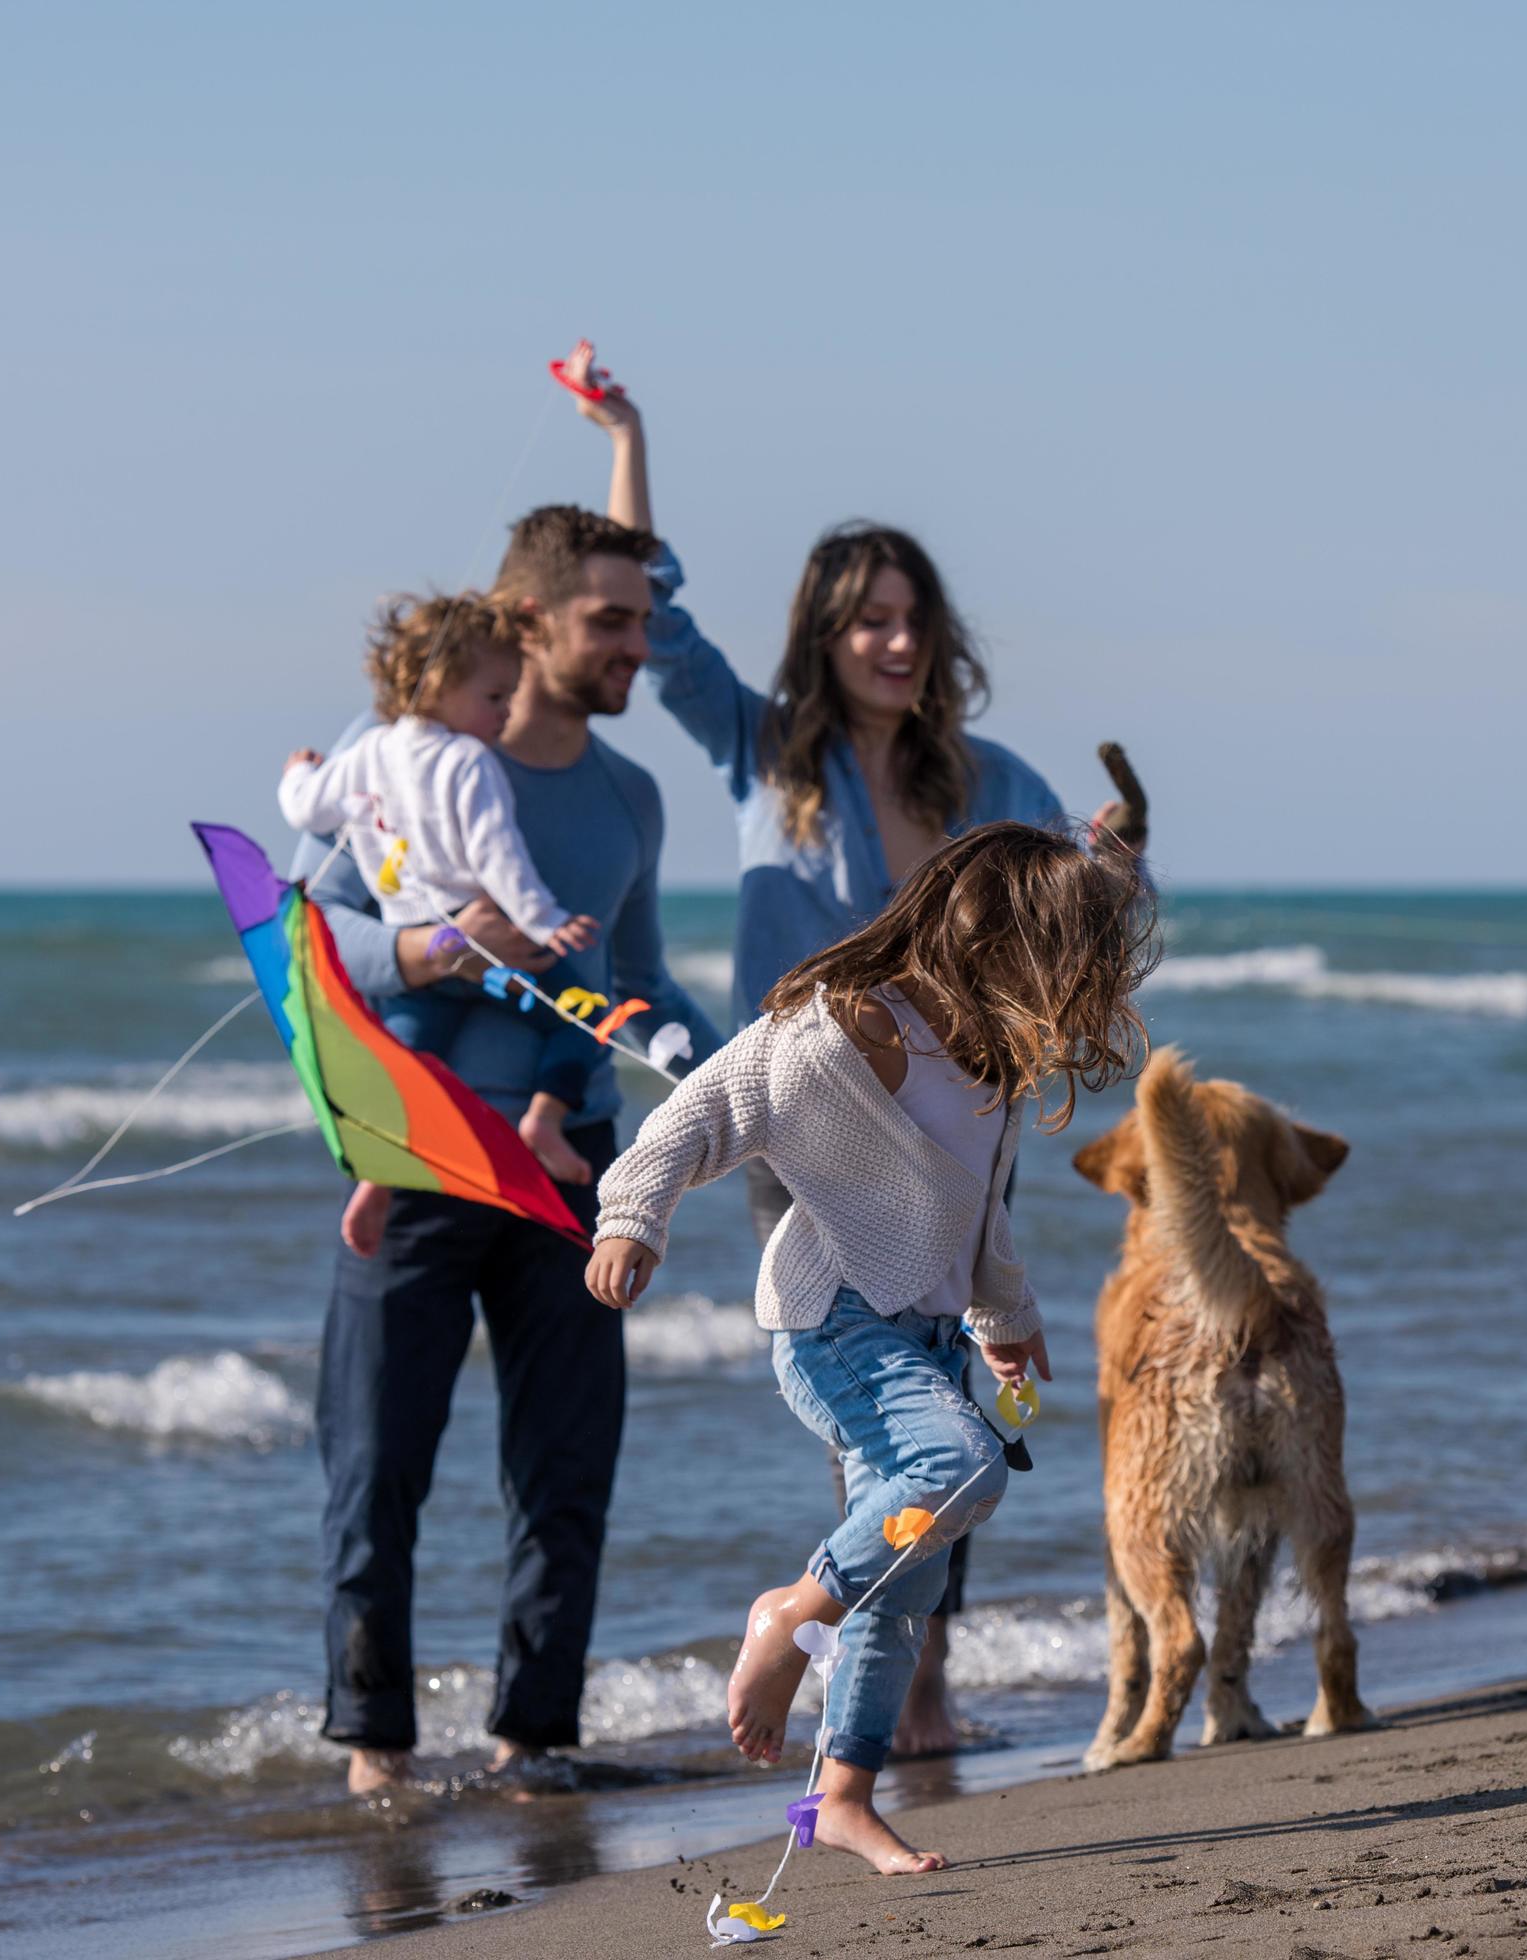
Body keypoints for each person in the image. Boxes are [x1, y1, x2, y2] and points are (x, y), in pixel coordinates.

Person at [571, 360, 1136, 1752]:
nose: (891, 644)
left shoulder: (989, 781)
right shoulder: (767, 751)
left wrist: (1113, 860)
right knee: (873, 1413)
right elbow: (668, 620)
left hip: (949, 1128)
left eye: (909, 622)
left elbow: (1069, 900)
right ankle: (858, 1667)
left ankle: (913, 1687)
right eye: (865, 621)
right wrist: (628, 439)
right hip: (801, 1121)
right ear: (822, 636)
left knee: (953, 1405)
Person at [584, 821, 1159, 1872]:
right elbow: (695, 1115)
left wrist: (1002, 1316)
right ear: (991, 938)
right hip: (832, 1321)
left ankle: (842, 1795)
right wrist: (631, 1217)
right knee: (959, 1468)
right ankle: (787, 1613)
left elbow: (978, 1208)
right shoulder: (835, 1033)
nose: (1073, 991)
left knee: (904, 1586)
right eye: (1063, 961)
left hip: (930, 1333)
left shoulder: (990, 1057)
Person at [291, 503, 723, 1795]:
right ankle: (373, 1757)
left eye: (643, 622)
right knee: (373, 1464)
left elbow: (636, 980)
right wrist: (429, 949)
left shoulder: (628, 796)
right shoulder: (394, 759)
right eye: (611, 622)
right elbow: (313, 936)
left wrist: (744, 1066)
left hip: (568, 1154)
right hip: (415, 1148)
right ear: (525, 624)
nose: (637, 648)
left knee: (566, 1467)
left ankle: (531, 1743)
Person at [277, 590, 604, 1248]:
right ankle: (543, 1120)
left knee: (409, 1060)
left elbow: (305, 811)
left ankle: (379, 1176)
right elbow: (498, 856)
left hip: (427, 954)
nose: (506, 711)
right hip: (485, 950)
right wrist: (544, 921)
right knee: (584, 1017)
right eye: (493, 697)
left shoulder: (366, 752)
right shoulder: (468, 760)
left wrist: (296, 774)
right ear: (438, 682)